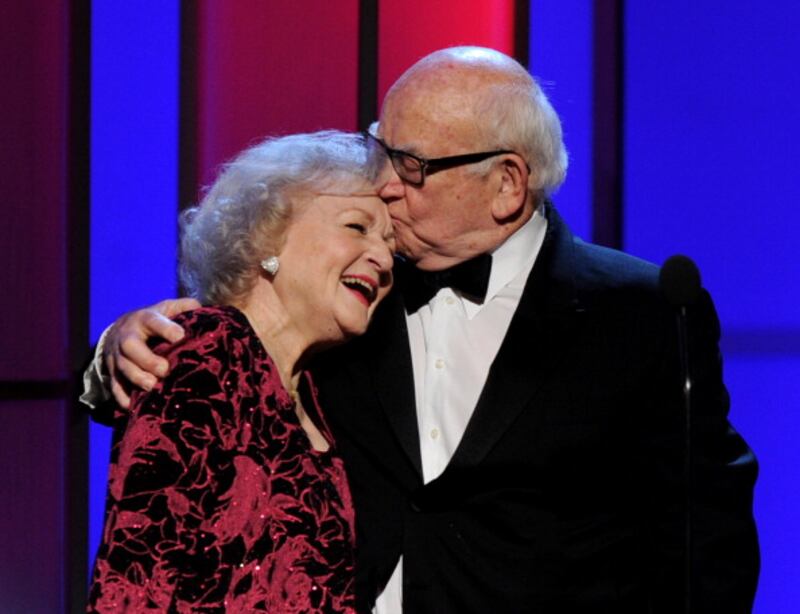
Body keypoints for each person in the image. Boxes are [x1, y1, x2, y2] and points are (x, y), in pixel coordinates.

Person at [86, 48, 759, 613]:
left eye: (411, 166)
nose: (383, 184)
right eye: (381, 149)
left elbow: (709, 536)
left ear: (506, 185)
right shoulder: (351, 292)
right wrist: (115, 350)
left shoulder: (640, 313)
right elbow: (225, 366)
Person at [85, 130, 395, 612]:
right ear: (266, 237)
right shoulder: (209, 350)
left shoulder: (315, 394)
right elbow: (137, 578)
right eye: (357, 227)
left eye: (390, 243)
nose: (385, 257)